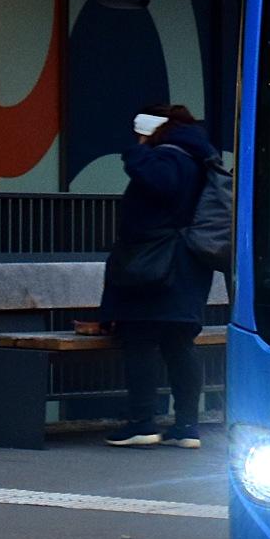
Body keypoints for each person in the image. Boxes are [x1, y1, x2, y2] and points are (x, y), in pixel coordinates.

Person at [101, 106, 217, 448]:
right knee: (179, 343)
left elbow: (159, 183)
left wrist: (138, 149)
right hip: (187, 266)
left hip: (158, 266)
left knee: (140, 341)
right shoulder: (199, 158)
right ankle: (186, 426)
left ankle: (142, 422)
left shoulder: (169, 157)